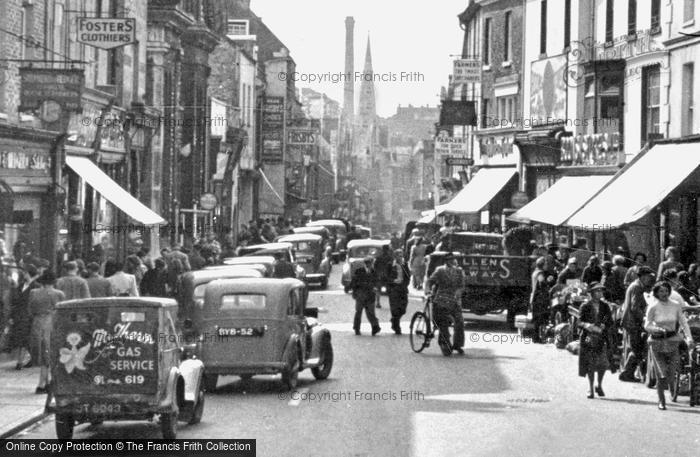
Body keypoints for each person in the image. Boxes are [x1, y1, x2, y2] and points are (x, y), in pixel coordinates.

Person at [644, 281, 694, 410]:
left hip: (672, 341)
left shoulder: (676, 305)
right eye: (661, 291)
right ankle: (661, 401)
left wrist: (689, 338)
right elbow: (647, 325)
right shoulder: (653, 306)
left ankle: (672, 388)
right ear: (656, 293)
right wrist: (656, 329)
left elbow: (684, 323)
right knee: (661, 374)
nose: (664, 294)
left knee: (671, 374)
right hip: (657, 342)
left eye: (666, 291)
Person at [29, 271, 65, 394]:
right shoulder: (59, 294)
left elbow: (30, 310)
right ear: (54, 281)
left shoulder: (33, 293)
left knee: (43, 354)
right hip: (52, 324)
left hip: (37, 324)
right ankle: (45, 383)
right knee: (50, 354)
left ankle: (43, 382)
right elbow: (62, 312)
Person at [577, 282, 616, 398]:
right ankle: (590, 387)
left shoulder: (605, 306)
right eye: (597, 291)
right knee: (590, 364)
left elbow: (609, 320)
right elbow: (579, 322)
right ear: (592, 293)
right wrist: (587, 325)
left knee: (603, 364)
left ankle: (599, 384)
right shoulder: (585, 306)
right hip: (589, 338)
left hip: (602, 338)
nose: (600, 293)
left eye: (601, 291)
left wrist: (604, 324)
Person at [619, 266, 656, 382]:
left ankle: (628, 372)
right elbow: (635, 307)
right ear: (643, 277)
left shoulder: (637, 286)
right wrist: (644, 319)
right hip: (632, 322)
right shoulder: (636, 287)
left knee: (636, 348)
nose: (649, 279)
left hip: (631, 322)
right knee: (637, 349)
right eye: (648, 276)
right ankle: (627, 373)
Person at [426, 252, 466, 356]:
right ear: (446, 261)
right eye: (449, 260)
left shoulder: (459, 271)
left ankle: (458, 344)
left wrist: (458, 292)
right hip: (441, 300)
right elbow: (430, 281)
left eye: (452, 259)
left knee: (460, 321)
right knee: (443, 322)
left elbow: (462, 286)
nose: (451, 262)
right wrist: (427, 291)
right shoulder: (440, 270)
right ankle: (445, 344)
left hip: (454, 301)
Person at [9, 264, 40, 370]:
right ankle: (29, 359)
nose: (24, 274)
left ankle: (20, 362)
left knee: (24, 338)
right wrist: (12, 316)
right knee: (22, 338)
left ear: (29, 274)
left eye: (25, 273)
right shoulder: (21, 285)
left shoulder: (36, 286)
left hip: (28, 315)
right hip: (19, 315)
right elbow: (15, 301)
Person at [350, 257, 381, 336]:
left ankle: (375, 327)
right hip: (361, 295)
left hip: (370, 296)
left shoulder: (374, 272)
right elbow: (354, 283)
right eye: (369, 263)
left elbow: (377, 282)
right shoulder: (359, 271)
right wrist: (354, 293)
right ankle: (357, 328)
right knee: (358, 312)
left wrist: (376, 288)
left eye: (371, 263)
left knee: (371, 313)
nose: (370, 265)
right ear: (366, 264)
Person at [387, 249, 410, 334]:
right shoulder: (390, 265)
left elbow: (408, 276)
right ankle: (396, 326)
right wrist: (393, 281)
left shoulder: (405, 265)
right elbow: (386, 277)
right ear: (395, 256)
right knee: (395, 309)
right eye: (399, 256)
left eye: (401, 256)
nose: (400, 257)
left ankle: (394, 320)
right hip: (394, 289)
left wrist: (405, 284)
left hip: (403, 289)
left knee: (403, 308)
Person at [530, 257, 551, 343]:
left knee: (536, 318)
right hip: (539, 299)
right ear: (542, 265)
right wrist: (548, 281)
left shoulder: (535, 272)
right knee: (539, 319)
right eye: (545, 264)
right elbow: (541, 283)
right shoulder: (540, 273)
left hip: (534, 298)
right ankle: (537, 337)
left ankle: (536, 337)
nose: (547, 266)